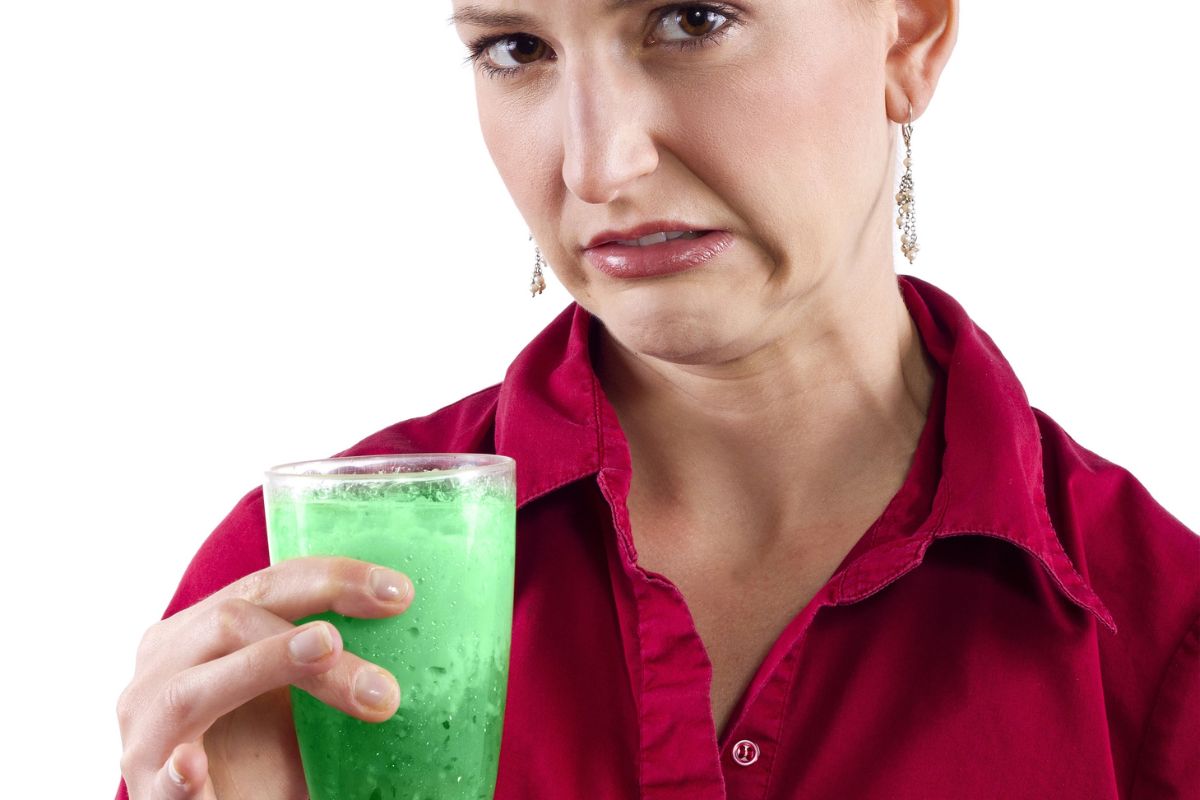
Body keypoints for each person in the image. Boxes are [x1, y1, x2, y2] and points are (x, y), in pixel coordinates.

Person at [115, 1, 1199, 798]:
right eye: (516, 50)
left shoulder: (1160, 640)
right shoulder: (297, 597)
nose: (598, 164)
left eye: (692, 19)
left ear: (908, 37)